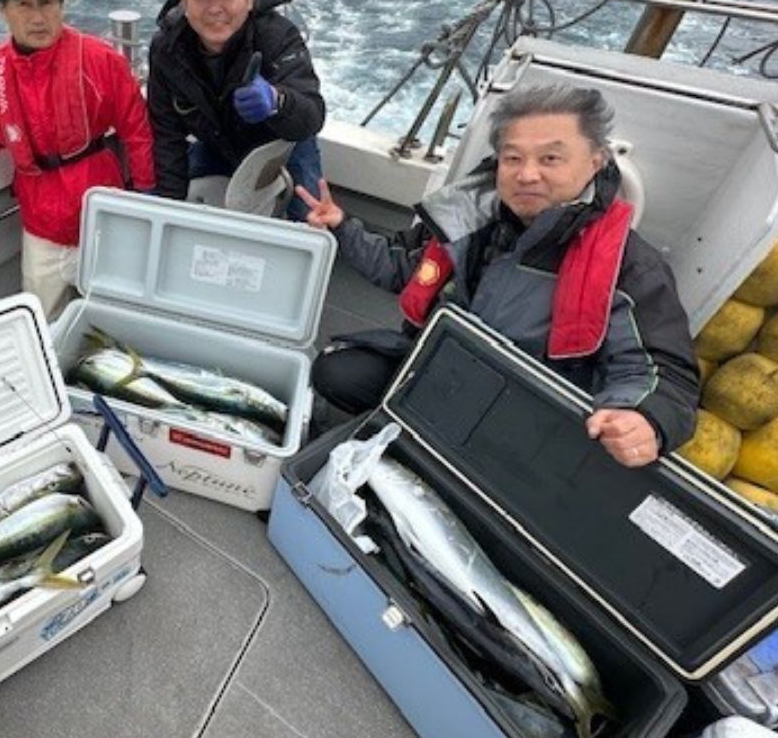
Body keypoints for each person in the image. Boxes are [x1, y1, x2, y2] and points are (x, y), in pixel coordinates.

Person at [299, 83, 699, 467]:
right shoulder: (469, 217)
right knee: (339, 370)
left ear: (595, 162)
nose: (526, 174)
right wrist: (341, 226)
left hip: (525, 411)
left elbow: (662, 375)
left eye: (550, 159)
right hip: (446, 368)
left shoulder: (630, 265)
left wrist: (645, 417)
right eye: (513, 158)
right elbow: (405, 268)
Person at [0, 0, 155, 318]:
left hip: (103, 216)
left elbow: (137, 132)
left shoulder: (101, 59)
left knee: (119, 317)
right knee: (45, 321)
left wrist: (145, 202)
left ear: (62, 3)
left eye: (47, 1)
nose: (37, 16)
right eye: (22, 3)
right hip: (40, 224)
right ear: (1, 9)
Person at [146, 0, 326, 220]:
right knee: (155, 201)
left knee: (312, 222)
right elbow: (167, 136)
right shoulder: (167, 48)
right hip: (216, 144)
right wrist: (169, 213)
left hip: (282, 145)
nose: (214, 8)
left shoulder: (278, 36)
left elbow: (312, 116)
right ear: (183, 0)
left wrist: (276, 101)